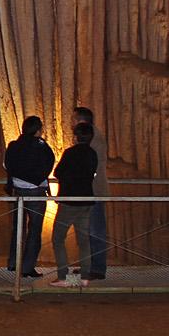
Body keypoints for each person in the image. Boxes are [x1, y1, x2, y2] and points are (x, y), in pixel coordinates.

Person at [4, 115, 56, 278]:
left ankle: (13, 262)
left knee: (18, 227)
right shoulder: (42, 147)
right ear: (38, 130)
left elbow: (8, 165)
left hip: (18, 190)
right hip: (35, 191)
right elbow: (49, 163)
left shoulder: (14, 146)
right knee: (34, 229)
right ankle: (27, 267)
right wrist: (37, 179)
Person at [51, 122, 99, 287]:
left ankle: (63, 277)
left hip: (69, 201)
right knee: (83, 239)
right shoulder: (93, 154)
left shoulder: (70, 153)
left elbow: (58, 172)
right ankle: (85, 276)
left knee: (58, 238)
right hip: (86, 200)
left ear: (76, 136)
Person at [75, 105, 109, 280]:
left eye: (74, 119)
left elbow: (91, 166)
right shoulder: (91, 136)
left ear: (82, 120)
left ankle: (97, 268)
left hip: (94, 190)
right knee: (86, 230)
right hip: (88, 190)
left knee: (95, 230)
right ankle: (87, 266)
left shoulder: (93, 138)